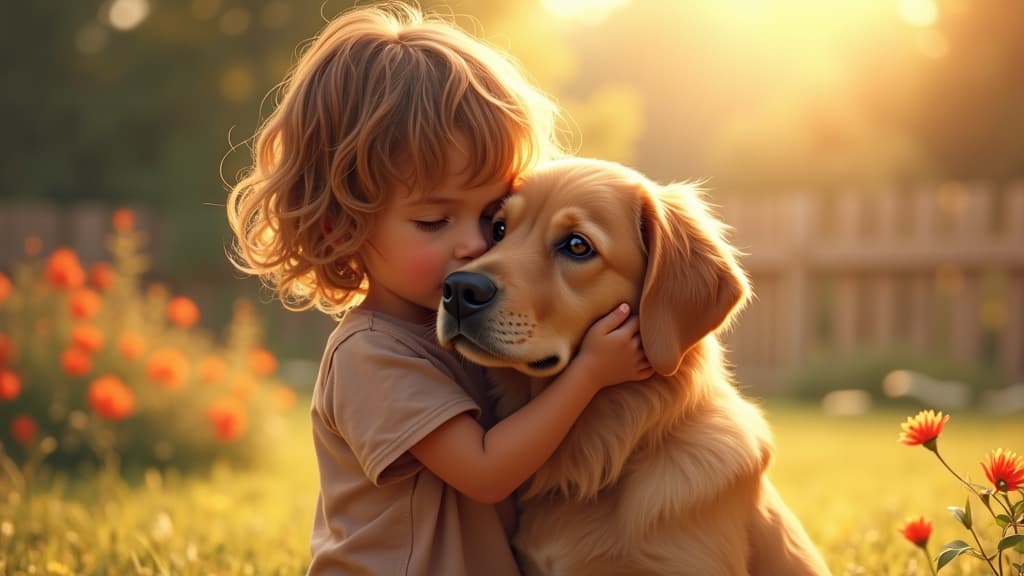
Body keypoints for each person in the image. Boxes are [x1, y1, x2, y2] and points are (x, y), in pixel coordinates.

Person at [226, 3, 652, 574]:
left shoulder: (465, 325)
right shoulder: (372, 355)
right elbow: (486, 471)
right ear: (342, 225)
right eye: (434, 221)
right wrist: (589, 374)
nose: (480, 249)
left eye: (496, 220)